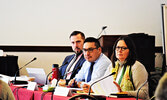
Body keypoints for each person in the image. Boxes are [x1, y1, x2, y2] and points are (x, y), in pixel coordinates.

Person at [82, 36, 149, 99]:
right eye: (117, 48)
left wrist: (123, 93)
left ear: (130, 50)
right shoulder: (112, 66)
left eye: (123, 48)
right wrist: (92, 89)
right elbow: (105, 87)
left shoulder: (137, 67)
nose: (119, 50)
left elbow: (143, 93)